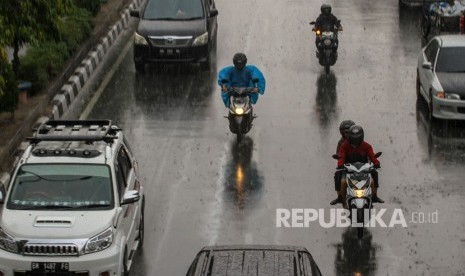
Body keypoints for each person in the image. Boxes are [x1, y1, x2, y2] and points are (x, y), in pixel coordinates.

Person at [337, 125, 384, 205]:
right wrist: (340, 165)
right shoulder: (344, 146)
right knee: (341, 179)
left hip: (364, 170)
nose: (355, 141)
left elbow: (372, 155)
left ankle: (375, 195)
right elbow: (341, 156)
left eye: (357, 139)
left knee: (373, 177)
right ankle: (340, 197)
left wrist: (376, 163)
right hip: (348, 170)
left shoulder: (366, 146)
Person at [330, 120, 355, 205]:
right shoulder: (341, 143)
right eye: (346, 132)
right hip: (346, 166)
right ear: (342, 132)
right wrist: (340, 162)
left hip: (360, 165)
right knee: (337, 175)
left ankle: (374, 194)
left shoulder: (359, 140)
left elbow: (367, 151)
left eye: (349, 132)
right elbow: (338, 154)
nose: (347, 134)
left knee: (373, 174)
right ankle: (339, 196)